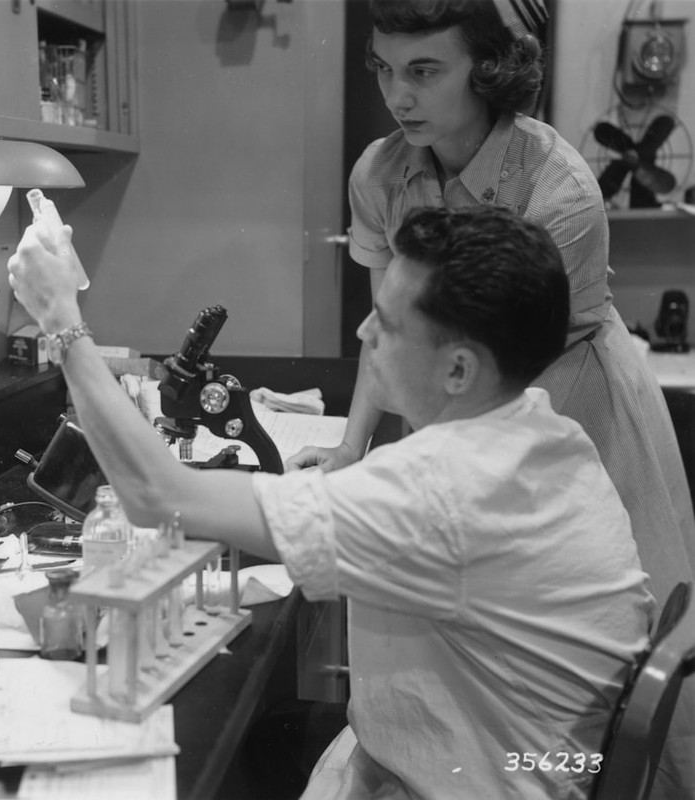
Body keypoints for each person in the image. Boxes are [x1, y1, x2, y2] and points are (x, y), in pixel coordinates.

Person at [7, 203, 655, 799]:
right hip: (544, 764)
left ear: (458, 370)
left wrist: (61, 320)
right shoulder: (539, 429)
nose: (364, 328)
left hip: (489, 780)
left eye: (390, 322)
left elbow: (155, 495)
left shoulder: (443, 486)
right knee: (266, 740)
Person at [287, 8, 695, 791]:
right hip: (448, 398)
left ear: (485, 68)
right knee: (445, 636)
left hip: (565, 394)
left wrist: (426, 477)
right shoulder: (379, 173)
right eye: (381, 68)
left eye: (423, 70)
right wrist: (351, 447)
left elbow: (516, 378)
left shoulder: (558, 187)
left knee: (568, 652)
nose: (396, 94)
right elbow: (389, 334)